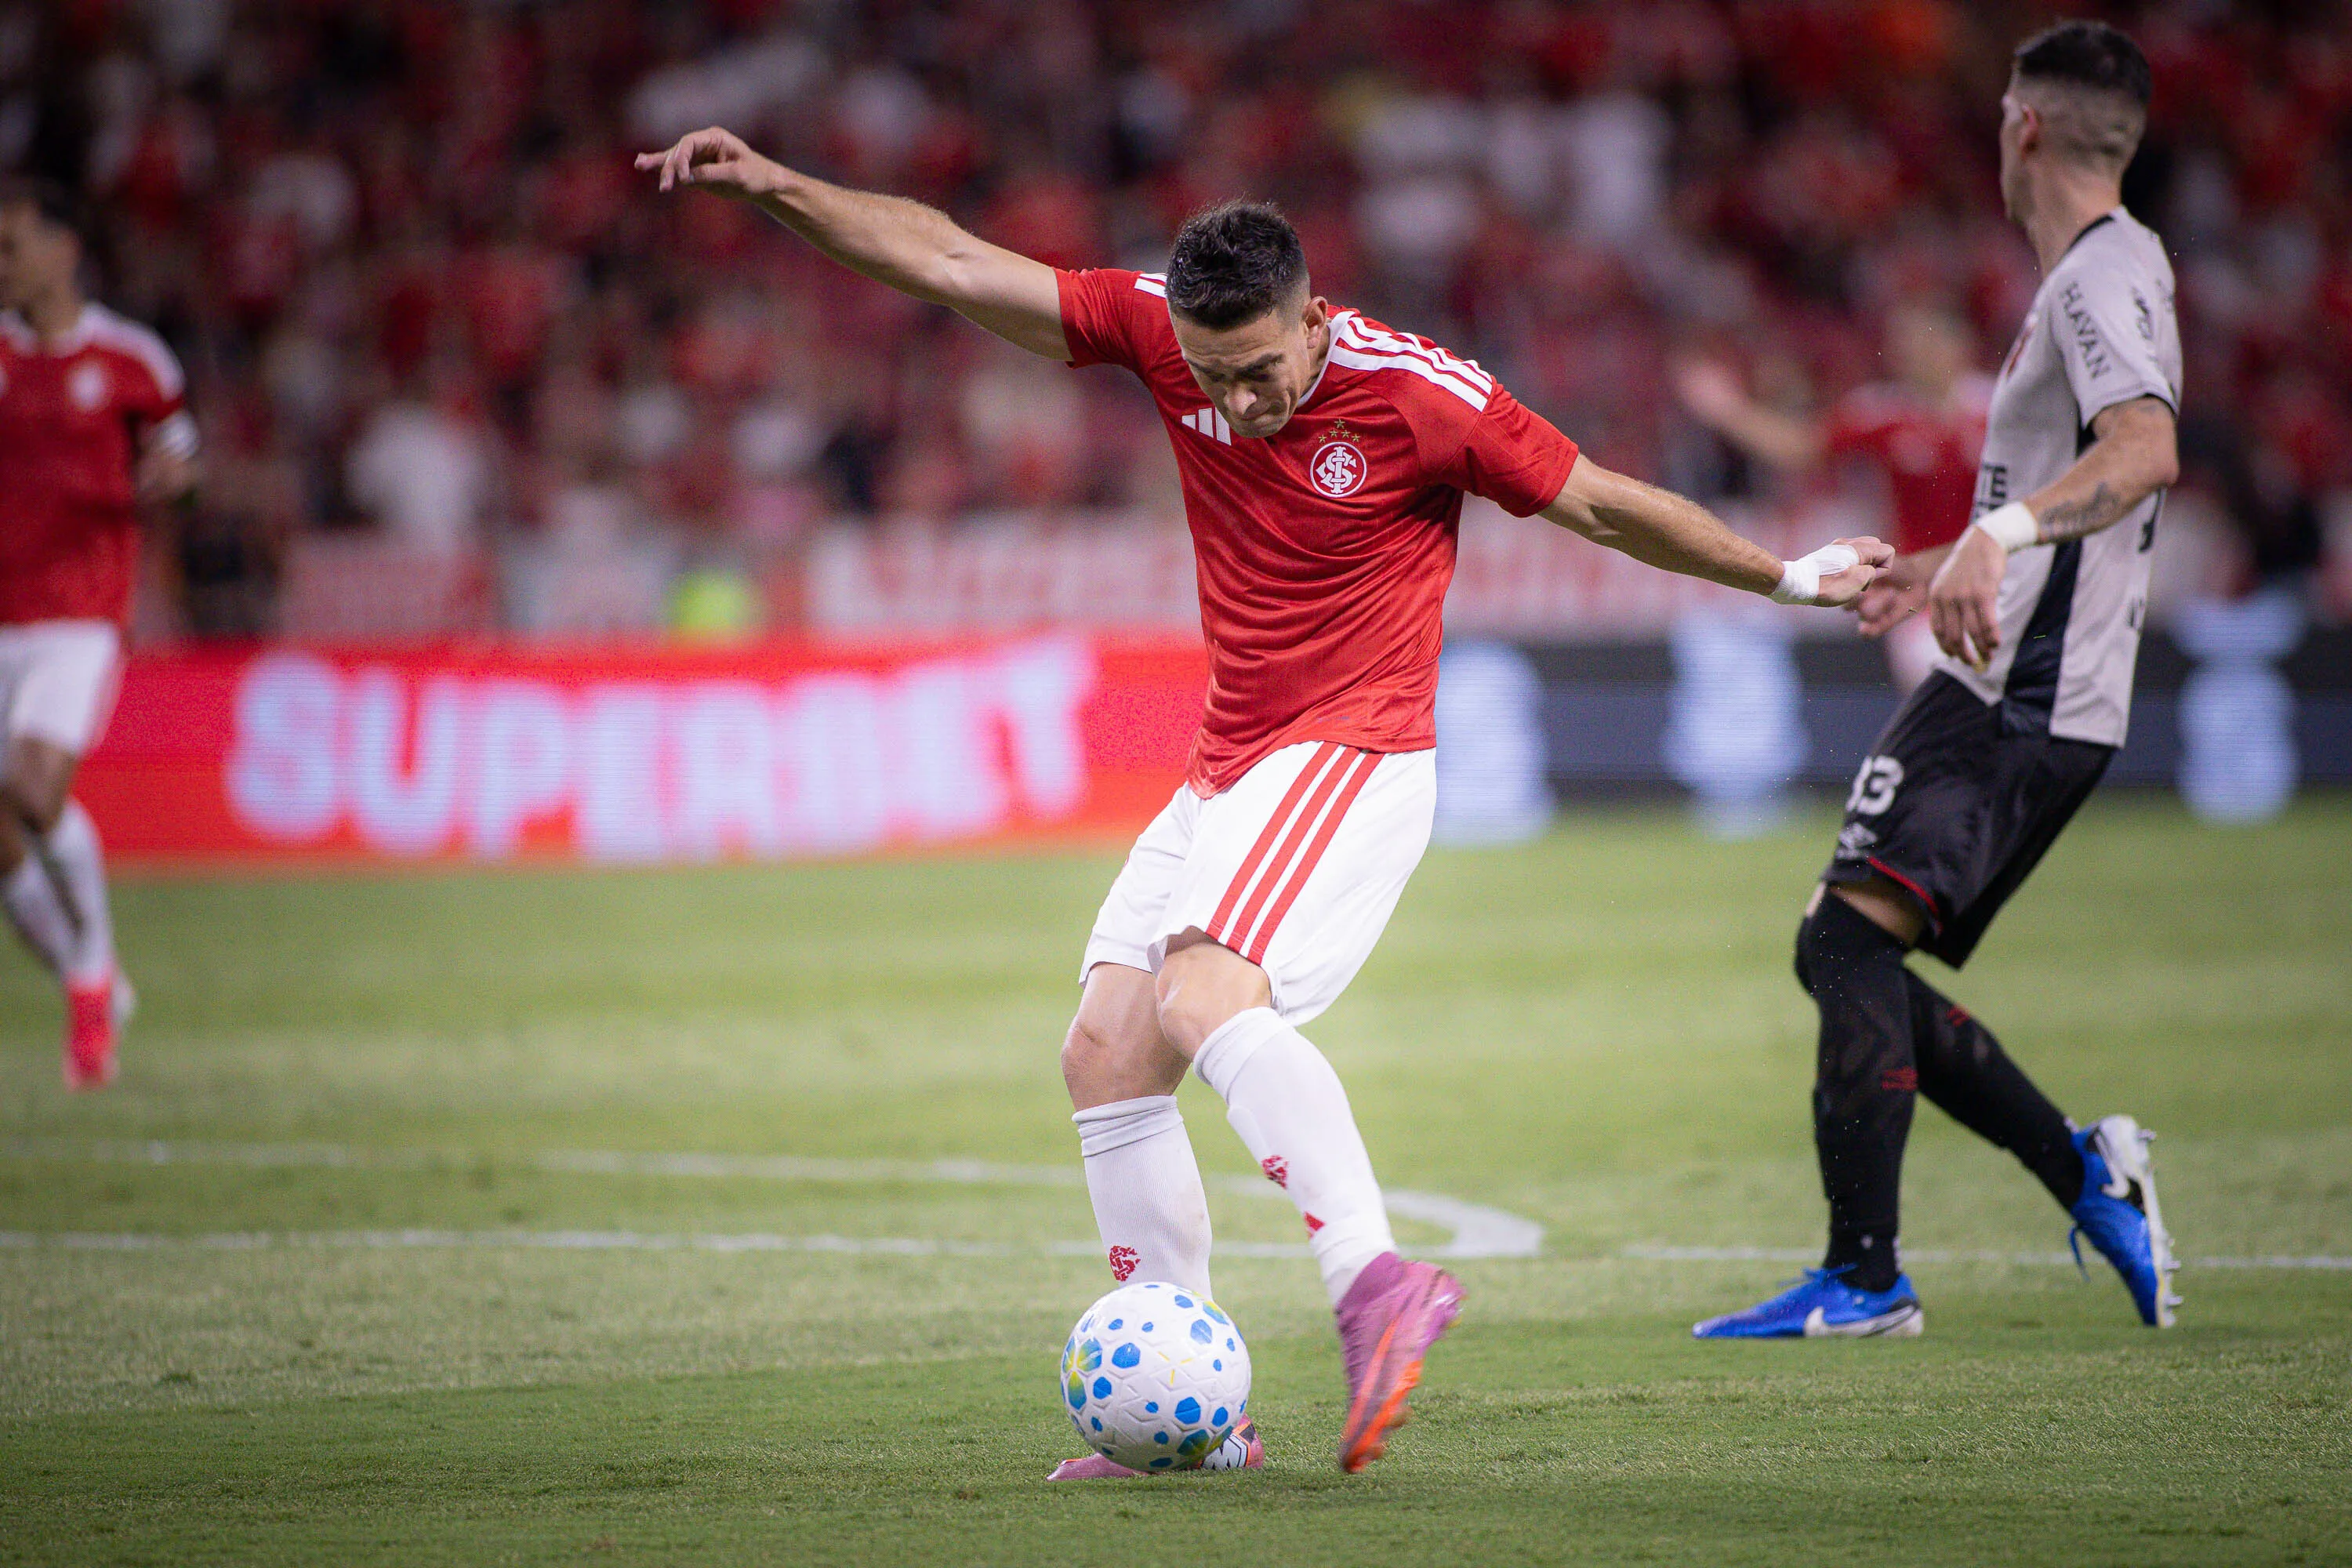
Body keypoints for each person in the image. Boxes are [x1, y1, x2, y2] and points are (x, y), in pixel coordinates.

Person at [637, 130, 1887, 1472]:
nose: (1237, 402)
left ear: (1313, 318)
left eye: (1261, 371)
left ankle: (1375, 1282)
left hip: (1355, 752)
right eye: (1212, 377)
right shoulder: (1158, 336)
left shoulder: (1421, 394)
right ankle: (1200, 1421)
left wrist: (1792, 581)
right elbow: (944, 261)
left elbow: (1600, 506)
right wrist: (774, 186)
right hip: (1231, 759)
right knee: (1106, 1053)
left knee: (1198, 998)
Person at [1693, 20, 2183, 1341]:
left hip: (2015, 691)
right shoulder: (2108, 271)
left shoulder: (2096, 278)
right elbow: (2071, 477)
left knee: (1842, 940)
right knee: (1846, 945)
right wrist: (1936, 559)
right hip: (2017, 673)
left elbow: (2143, 452)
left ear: (2023, 128)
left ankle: (1870, 1278)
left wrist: (1996, 537)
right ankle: (2080, 1173)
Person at [0, 180, 198, 1088]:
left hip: (78, 619)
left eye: (12, 246)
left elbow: (182, 454)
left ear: (63, 249)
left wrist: (173, 475)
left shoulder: (131, 360)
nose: (2, 264)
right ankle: (101, 978)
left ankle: (88, 975)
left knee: (35, 795)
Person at [1673, 301, 1991, 691]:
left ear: (1960, 346)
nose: (1911, 354)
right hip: (1918, 592)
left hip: (1995, 580)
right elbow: (1801, 448)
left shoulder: (1999, 407)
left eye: (1923, 342)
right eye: (1904, 344)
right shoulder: (1884, 411)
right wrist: (1728, 411)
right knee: (1944, 700)